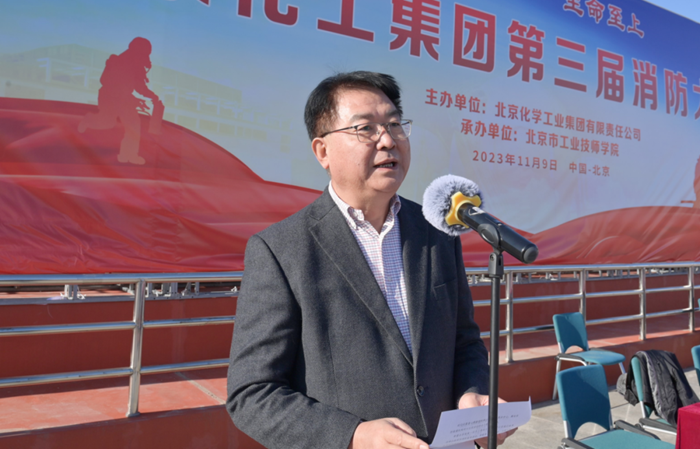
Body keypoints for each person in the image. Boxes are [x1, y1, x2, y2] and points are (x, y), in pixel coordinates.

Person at [227, 71, 513, 449]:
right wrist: (353, 435)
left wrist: (471, 392)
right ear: (323, 151)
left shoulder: (436, 232)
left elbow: (464, 341)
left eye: (395, 124)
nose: (388, 140)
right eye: (366, 128)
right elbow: (252, 394)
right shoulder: (281, 250)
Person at [78, 37, 161, 165]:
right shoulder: (117, 61)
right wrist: (133, 99)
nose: (146, 56)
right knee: (107, 122)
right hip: (109, 98)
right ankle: (88, 120)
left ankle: (129, 155)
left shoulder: (137, 65)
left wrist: (152, 96)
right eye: (144, 53)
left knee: (133, 125)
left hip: (125, 100)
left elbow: (139, 86)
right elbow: (106, 81)